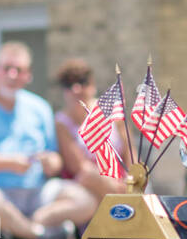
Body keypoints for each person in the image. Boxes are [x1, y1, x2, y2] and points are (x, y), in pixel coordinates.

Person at [0, 41, 93, 239]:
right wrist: (9, 163)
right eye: (7, 69)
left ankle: (24, 227)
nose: (12, 75)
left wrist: (51, 162)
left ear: (28, 75)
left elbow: (55, 160)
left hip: (36, 196)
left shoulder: (39, 107)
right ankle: (36, 234)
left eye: (19, 70)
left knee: (85, 201)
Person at [53, 58, 131, 208]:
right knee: (88, 176)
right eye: (69, 84)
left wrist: (131, 179)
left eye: (82, 82)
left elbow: (130, 153)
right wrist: (114, 185)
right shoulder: (61, 122)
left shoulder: (112, 110)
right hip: (90, 187)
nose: (76, 89)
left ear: (92, 84)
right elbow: (78, 167)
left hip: (121, 180)